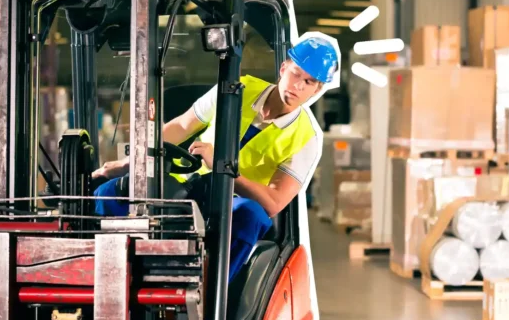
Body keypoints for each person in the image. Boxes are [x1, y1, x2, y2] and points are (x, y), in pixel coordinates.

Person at [92, 36, 339, 282]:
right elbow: (182, 125)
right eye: (296, 74)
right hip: (182, 184)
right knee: (108, 193)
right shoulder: (236, 88)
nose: (298, 86)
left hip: (228, 201)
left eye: (309, 82)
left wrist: (224, 166)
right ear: (283, 68)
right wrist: (133, 162)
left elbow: (274, 202)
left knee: (251, 216)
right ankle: (112, 281)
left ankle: (209, 296)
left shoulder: (306, 138)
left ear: (317, 90)